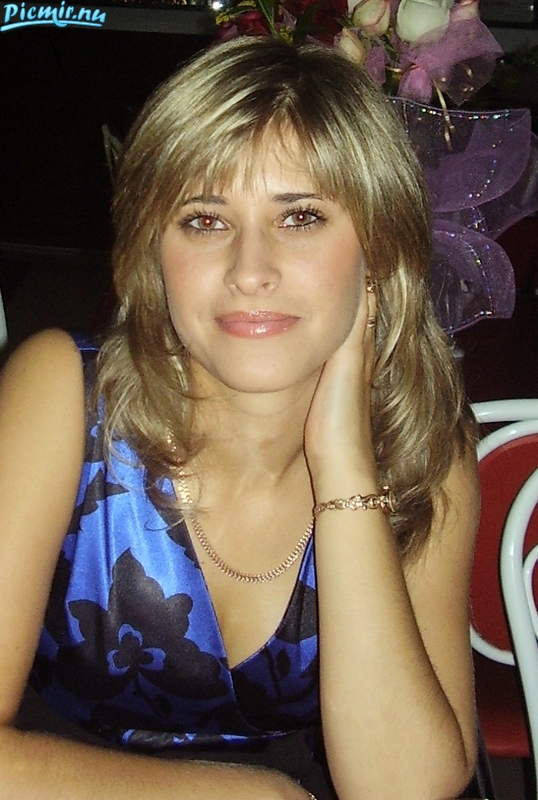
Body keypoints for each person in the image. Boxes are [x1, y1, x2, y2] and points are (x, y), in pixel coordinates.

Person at [0, 36, 480, 800]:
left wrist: (344, 465)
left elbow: (404, 787)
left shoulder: (425, 444)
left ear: (381, 251)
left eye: (300, 217)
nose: (250, 270)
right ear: (153, 252)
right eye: (204, 220)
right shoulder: (64, 393)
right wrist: (242, 794)